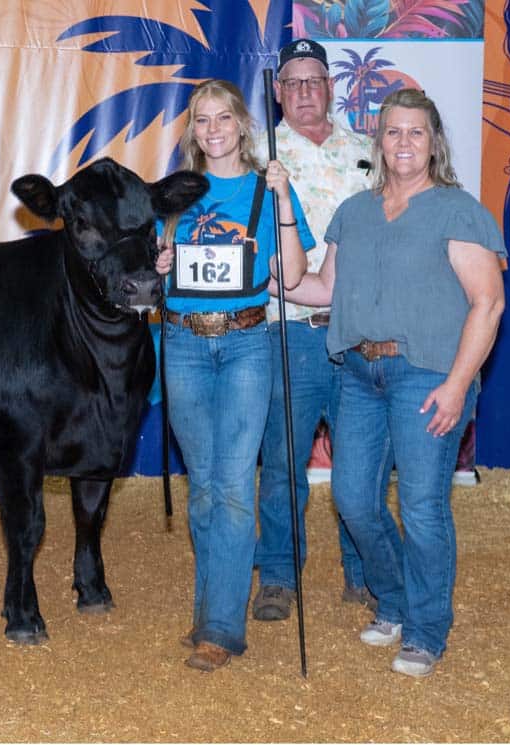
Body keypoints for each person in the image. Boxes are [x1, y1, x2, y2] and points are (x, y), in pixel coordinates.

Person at [299, 88, 506, 677]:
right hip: (358, 374)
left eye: (417, 131)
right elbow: (322, 289)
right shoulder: (354, 211)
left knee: (421, 506)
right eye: (394, 131)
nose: (405, 142)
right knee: (354, 500)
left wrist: (459, 384)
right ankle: (391, 599)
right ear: (379, 141)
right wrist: (255, 279)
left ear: (434, 141)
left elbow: (487, 304)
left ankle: (424, 630)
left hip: (428, 375)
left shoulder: (458, 209)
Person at [154, 79, 312, 672]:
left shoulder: (265, 189)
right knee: (204, 488)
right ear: (192, 130)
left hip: (246, 342)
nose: (214, 129)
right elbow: (153, 276)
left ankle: (222, 626)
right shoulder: (173, 197)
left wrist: (286, 199)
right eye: (202, 120)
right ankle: (210, 609)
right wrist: (160, 263)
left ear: (244, 125)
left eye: (224, 118)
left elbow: (292, 276)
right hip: (184, 344)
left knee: (233, 483)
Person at [250, 38, 389, 622]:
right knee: (283, 462)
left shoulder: (371, 151)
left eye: (314, 81)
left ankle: (364, 574)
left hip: (361, 332)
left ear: (332, 88)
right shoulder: (256, 155)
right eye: (293, 83)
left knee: (363, 468)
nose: (305, 92)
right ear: (277, 92)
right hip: (289, 329)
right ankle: (279, 575)